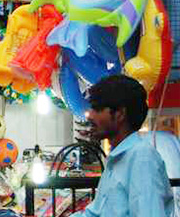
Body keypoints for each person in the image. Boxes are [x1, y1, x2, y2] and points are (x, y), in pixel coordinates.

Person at [70, 75, 175, 217]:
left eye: (97, 109)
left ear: (119, 114)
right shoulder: (117, 160)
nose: (90, 116)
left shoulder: (142, 158)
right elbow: (94, 214)